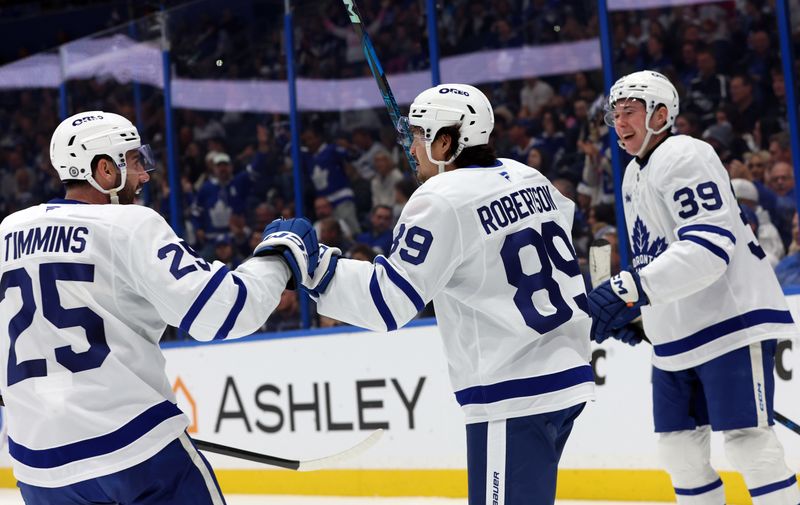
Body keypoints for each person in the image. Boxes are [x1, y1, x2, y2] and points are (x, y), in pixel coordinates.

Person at [0, 111, 319, 505]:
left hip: (40, 469)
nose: (145, 175)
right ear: (104, 169)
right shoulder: (127, 224)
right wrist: (277, 257)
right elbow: (224, 311)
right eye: (134, 161)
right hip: (135, 452)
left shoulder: (7, 232)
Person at [304, 84, 594, 504]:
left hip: (511, 390)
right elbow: (565, 219)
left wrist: (315, 269)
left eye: (419, 135)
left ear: (447, 141)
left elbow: (389, 302)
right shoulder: (528, 176)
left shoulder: (440, 198)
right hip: (566, 375)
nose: (411, 145)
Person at [587, 71, 800, 505]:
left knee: (747, 443)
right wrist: (642, 314)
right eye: (616, 113)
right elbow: (654, 255)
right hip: (676, 334)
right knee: (678, 449)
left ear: (661, 115)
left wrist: (630, 289)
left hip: (730, 321)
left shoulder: (686, 154)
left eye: (630, 112)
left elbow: (708, 248)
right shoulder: (632, 175)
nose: (620, 122)